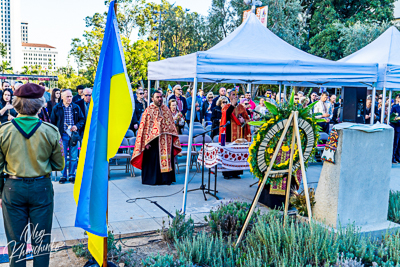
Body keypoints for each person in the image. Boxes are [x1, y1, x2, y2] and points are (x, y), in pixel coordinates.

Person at [0, 83, 64, 267]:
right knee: (41, 243)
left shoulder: (3, 131)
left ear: (16, 104)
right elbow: (59, 164)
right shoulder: (50, 131)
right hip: (41, 188)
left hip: (13, 188)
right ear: (40, 104)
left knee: (16, 244)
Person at [131, 91, 182, 185]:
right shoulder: (148, 110)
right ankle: (154, 180)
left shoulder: (166, 109)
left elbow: (171, 125)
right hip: (152, 141)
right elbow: (144, 128)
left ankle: (166, 180)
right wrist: (145, 142)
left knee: (166, 159)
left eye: (161, 97)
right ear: (152, 99)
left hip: (167, 140)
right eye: (157, 97)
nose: (159, 99)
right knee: (154, 161)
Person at [50, 89, 85, 184]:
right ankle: (63, 175)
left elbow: (82, 119)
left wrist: (76, 126)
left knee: (74, 157)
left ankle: (72, 175)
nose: (69, 98)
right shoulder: (57, 108)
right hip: (62, 135)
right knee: (63, 157)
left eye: (70, 96)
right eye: (67, 96)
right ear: (62, 97)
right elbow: (52, 122)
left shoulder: (76, 107)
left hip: (73, 135)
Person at [390, 95, 400, 164]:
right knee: (395, 144)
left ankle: (398, 157)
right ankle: (393, 157)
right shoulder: (395, 107)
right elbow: (391, 119)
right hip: (397, 128)